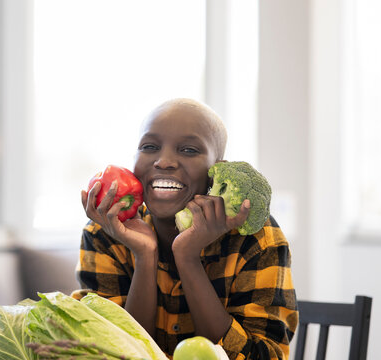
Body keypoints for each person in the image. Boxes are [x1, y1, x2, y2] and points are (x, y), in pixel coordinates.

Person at [74, 98, 298, 359]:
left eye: (189, 150)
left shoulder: (256, 237)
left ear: (217, 171)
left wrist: (188, 259)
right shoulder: (104, 232)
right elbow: (109, 352)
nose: (164, 161)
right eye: (149, 146)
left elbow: (266, 356)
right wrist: (145, 258)